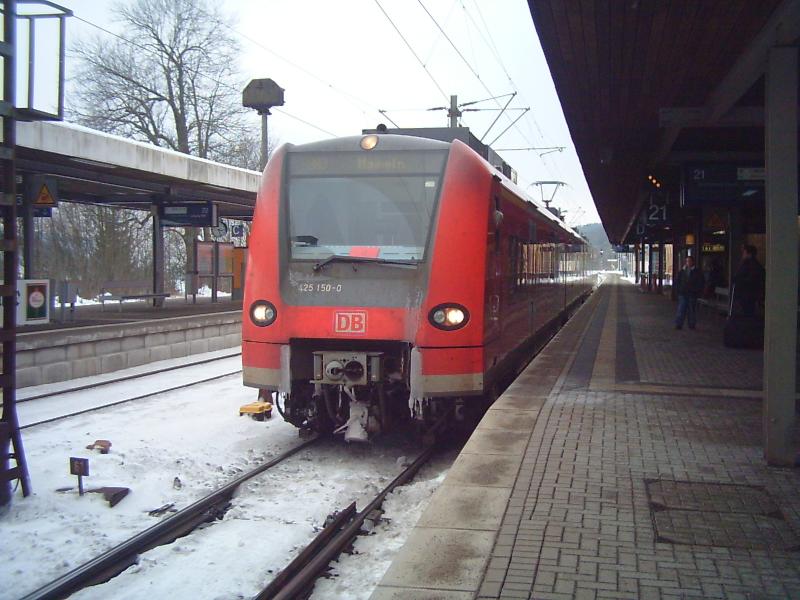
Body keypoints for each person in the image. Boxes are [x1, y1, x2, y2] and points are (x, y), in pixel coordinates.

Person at [733, 244, 765, 317]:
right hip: (750, 293)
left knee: (747, 312)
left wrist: (739, 280)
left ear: (749, 254)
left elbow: (743, 277)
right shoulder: (756, 265)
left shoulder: (748, 265)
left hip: (746, 293)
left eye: (744, 253)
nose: (743, 255)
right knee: (749, 312)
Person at [674, 255, 704, 330]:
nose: (688, 263)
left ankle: (691, 324)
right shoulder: (682, 271)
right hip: (683, 293)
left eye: (689, 261)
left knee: (691, 310)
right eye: (687, 261)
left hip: (692, 294)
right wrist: (679, 290)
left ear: (693, 262)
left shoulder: (697, 272)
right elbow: (677, 281)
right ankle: (679, 324)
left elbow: (700, 282)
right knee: (681, 309)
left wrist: (696, 290)